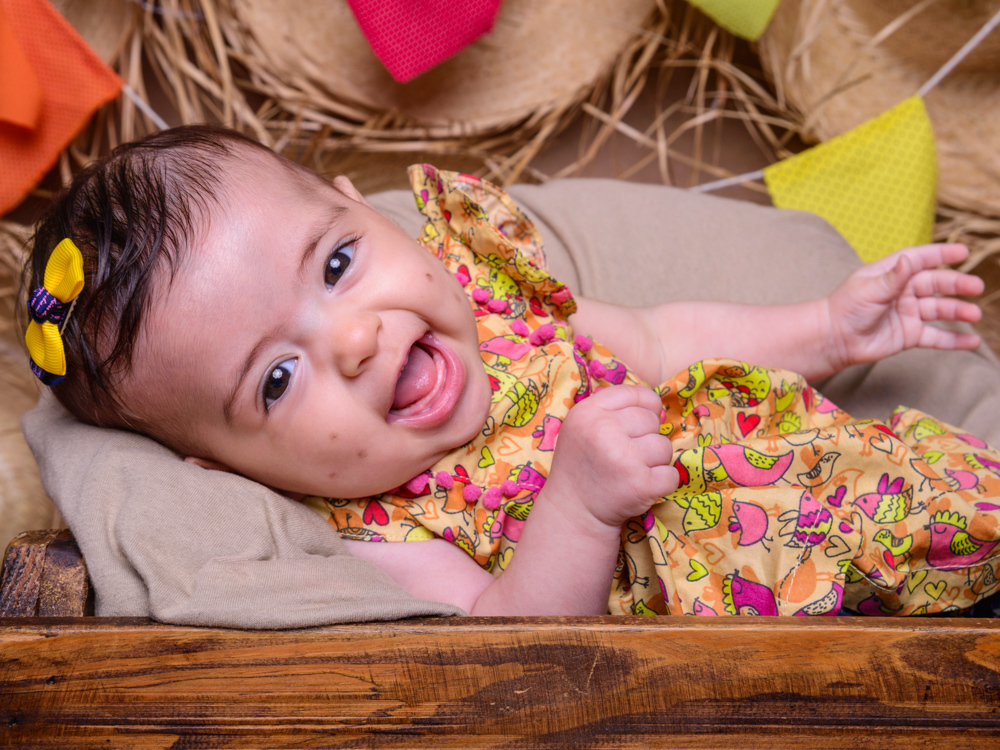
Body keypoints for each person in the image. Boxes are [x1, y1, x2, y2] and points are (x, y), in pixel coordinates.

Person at [20, 125, 1000, 619]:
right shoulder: (383, 524)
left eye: (336, 264)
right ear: (220, 464)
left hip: (876, 485)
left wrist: (830, 328)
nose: (354, 341)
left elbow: (665, 341)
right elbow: (508, 636)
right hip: (807, 614)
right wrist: (575, 507)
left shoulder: (500, 310)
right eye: (275, 381)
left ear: (356, 206)